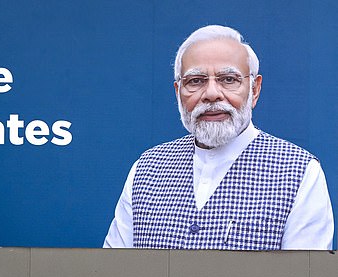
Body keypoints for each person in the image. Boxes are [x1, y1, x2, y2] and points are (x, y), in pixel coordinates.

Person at [104, 25, 333, 250]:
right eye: (196, 81)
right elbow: (113, 275)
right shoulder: (147, 168)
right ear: (178, 92)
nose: (212, 94)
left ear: (254, 89)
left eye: (228, 79)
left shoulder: (299, 171)